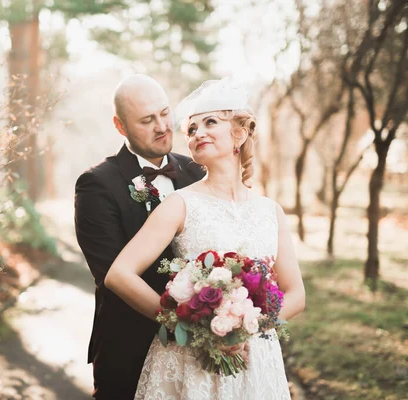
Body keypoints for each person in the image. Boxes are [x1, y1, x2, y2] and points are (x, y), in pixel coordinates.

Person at [104, 78, 306, 399]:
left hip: (255, 358)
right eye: (192, 129)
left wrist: (248, 327)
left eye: (210, 122)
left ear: (239, 133)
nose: (198, 133)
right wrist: (184, 324)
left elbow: (295, 293)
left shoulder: (272, 211)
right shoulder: (180, 204)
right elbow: (119, 275)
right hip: (190, 364)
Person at [74, 74, 206, 400]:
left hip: (200, 353)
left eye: (165, 112)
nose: (162, 126)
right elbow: (110, 275)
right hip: (129, 349)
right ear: (121, 127)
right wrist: (180, 325)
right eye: (147, 120)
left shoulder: (197, 171)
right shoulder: (97, 185)